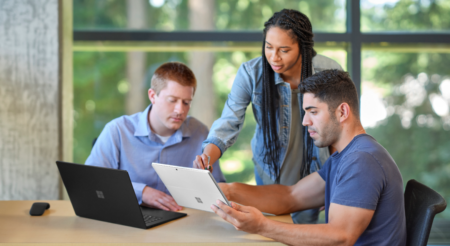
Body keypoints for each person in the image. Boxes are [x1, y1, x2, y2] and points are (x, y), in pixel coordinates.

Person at [211, 69, 407, 246]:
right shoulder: (344, 157)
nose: (305, 122)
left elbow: (340, 237)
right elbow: (292, 196)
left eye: (313, 112)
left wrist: (261, 226)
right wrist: (230, 191)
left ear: (342, 112)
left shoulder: (362, 160)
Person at [193, 9, 342, 223]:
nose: (274, 57)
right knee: (270, 233)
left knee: (304, 235)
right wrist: (207, 158)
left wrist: (330, 179)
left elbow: (340, 131)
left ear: (303, 47)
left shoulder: (329, 72)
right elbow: (229, 122)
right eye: (269, 47)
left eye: (284, 50)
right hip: (269, 171)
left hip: (315, 172)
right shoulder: (251, 73)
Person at [86, 62, 226, 212]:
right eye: (172, 100)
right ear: (152, 96)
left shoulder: (200, 133)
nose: (180, 110)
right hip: (128, 221)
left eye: (186, 102)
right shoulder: (118, 130)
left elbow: (219, 190)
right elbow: (91, 182)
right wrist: (142, 192)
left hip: (183, 223)